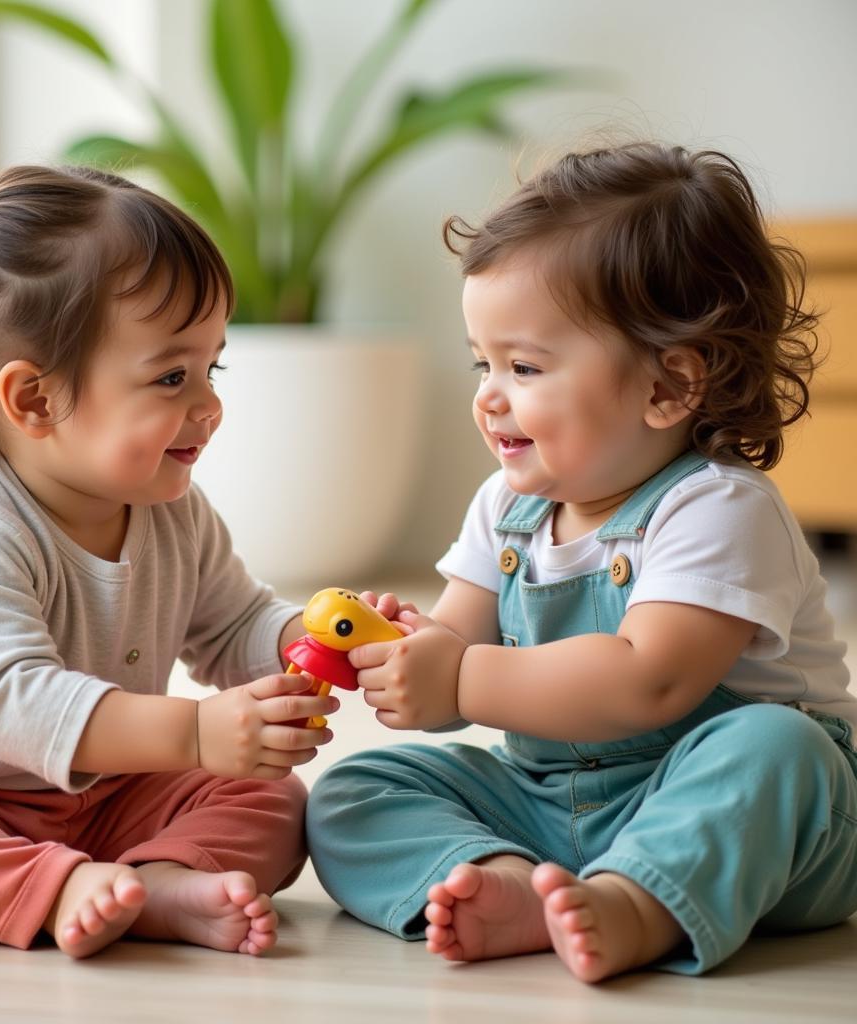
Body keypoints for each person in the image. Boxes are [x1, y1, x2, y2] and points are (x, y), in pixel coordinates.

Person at [306, 141, 857, 982]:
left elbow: (649, 683)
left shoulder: (717, 508)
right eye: (481, 362)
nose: (489, 394)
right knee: (357, 790)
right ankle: (508, 885)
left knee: (777, 747)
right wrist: (411, 654)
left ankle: (641, 905)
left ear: (668, 387)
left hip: (745, 821)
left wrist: (458, 678)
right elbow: (457, 648)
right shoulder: (505, 506)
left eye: (524, 366)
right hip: (553, 802)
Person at [0, 161, 339, 959]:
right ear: (35, 399)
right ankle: (56, 886)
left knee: (273, 799)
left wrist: (314, 639)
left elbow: (232, 623)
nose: (208, 404)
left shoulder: (172, 511)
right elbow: (17, 707)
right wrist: (198, 732)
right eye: (172, 375)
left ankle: (159, 882)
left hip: (103, 794)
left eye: (214, 366)